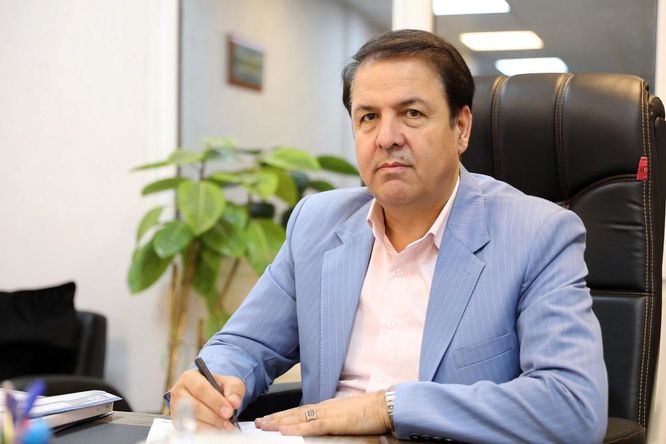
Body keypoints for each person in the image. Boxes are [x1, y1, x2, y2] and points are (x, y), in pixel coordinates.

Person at [169, 29, 608, 443]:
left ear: (461, 128)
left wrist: (387, 407)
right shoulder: (317, 223)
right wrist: (217, 382)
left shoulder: (537, 233)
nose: (386, 138)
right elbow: (245, 344)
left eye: (412, 114)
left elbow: (572, 405)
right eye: (369, 117)